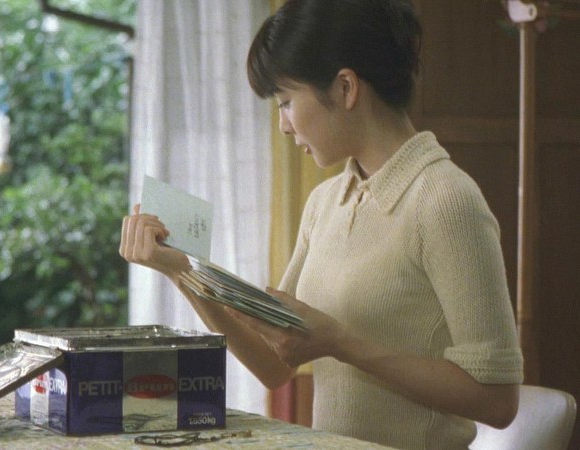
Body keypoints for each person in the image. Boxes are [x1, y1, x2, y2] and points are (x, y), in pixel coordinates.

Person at [119, 0, 524, 448]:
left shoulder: (446, 202)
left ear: (346, 88)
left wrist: (342, 344)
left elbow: (498, 401)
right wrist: (182, 271)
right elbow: (276, 364)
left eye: (286, 102)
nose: (283, 126)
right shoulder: (325, 202)